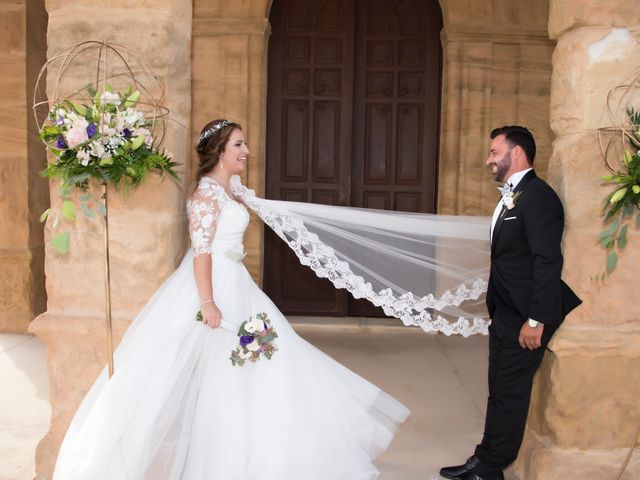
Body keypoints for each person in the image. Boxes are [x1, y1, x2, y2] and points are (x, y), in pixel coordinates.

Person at [52, 119, 410, 480]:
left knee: (270, 359)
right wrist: (208, 304)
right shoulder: (206, 196)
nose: (247, 152)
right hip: (216, 289)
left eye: (245, 144)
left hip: (238, 284)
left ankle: (266, 448)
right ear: (220, 151)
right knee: (232, 367)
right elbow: (202, 252)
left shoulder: (229, 188)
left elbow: (248, 207)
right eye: (239, 145)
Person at [439, 126, 582, 480]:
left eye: (493, 152)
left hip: (526, 317)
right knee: (498, 390)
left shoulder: (539, 197)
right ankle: (485, 456)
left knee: (512, 393)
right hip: (504, 312)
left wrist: (536, 320)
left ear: (516, 153)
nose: (489, 159)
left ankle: (492, 468)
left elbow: (547, 261)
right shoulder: (511, 197)